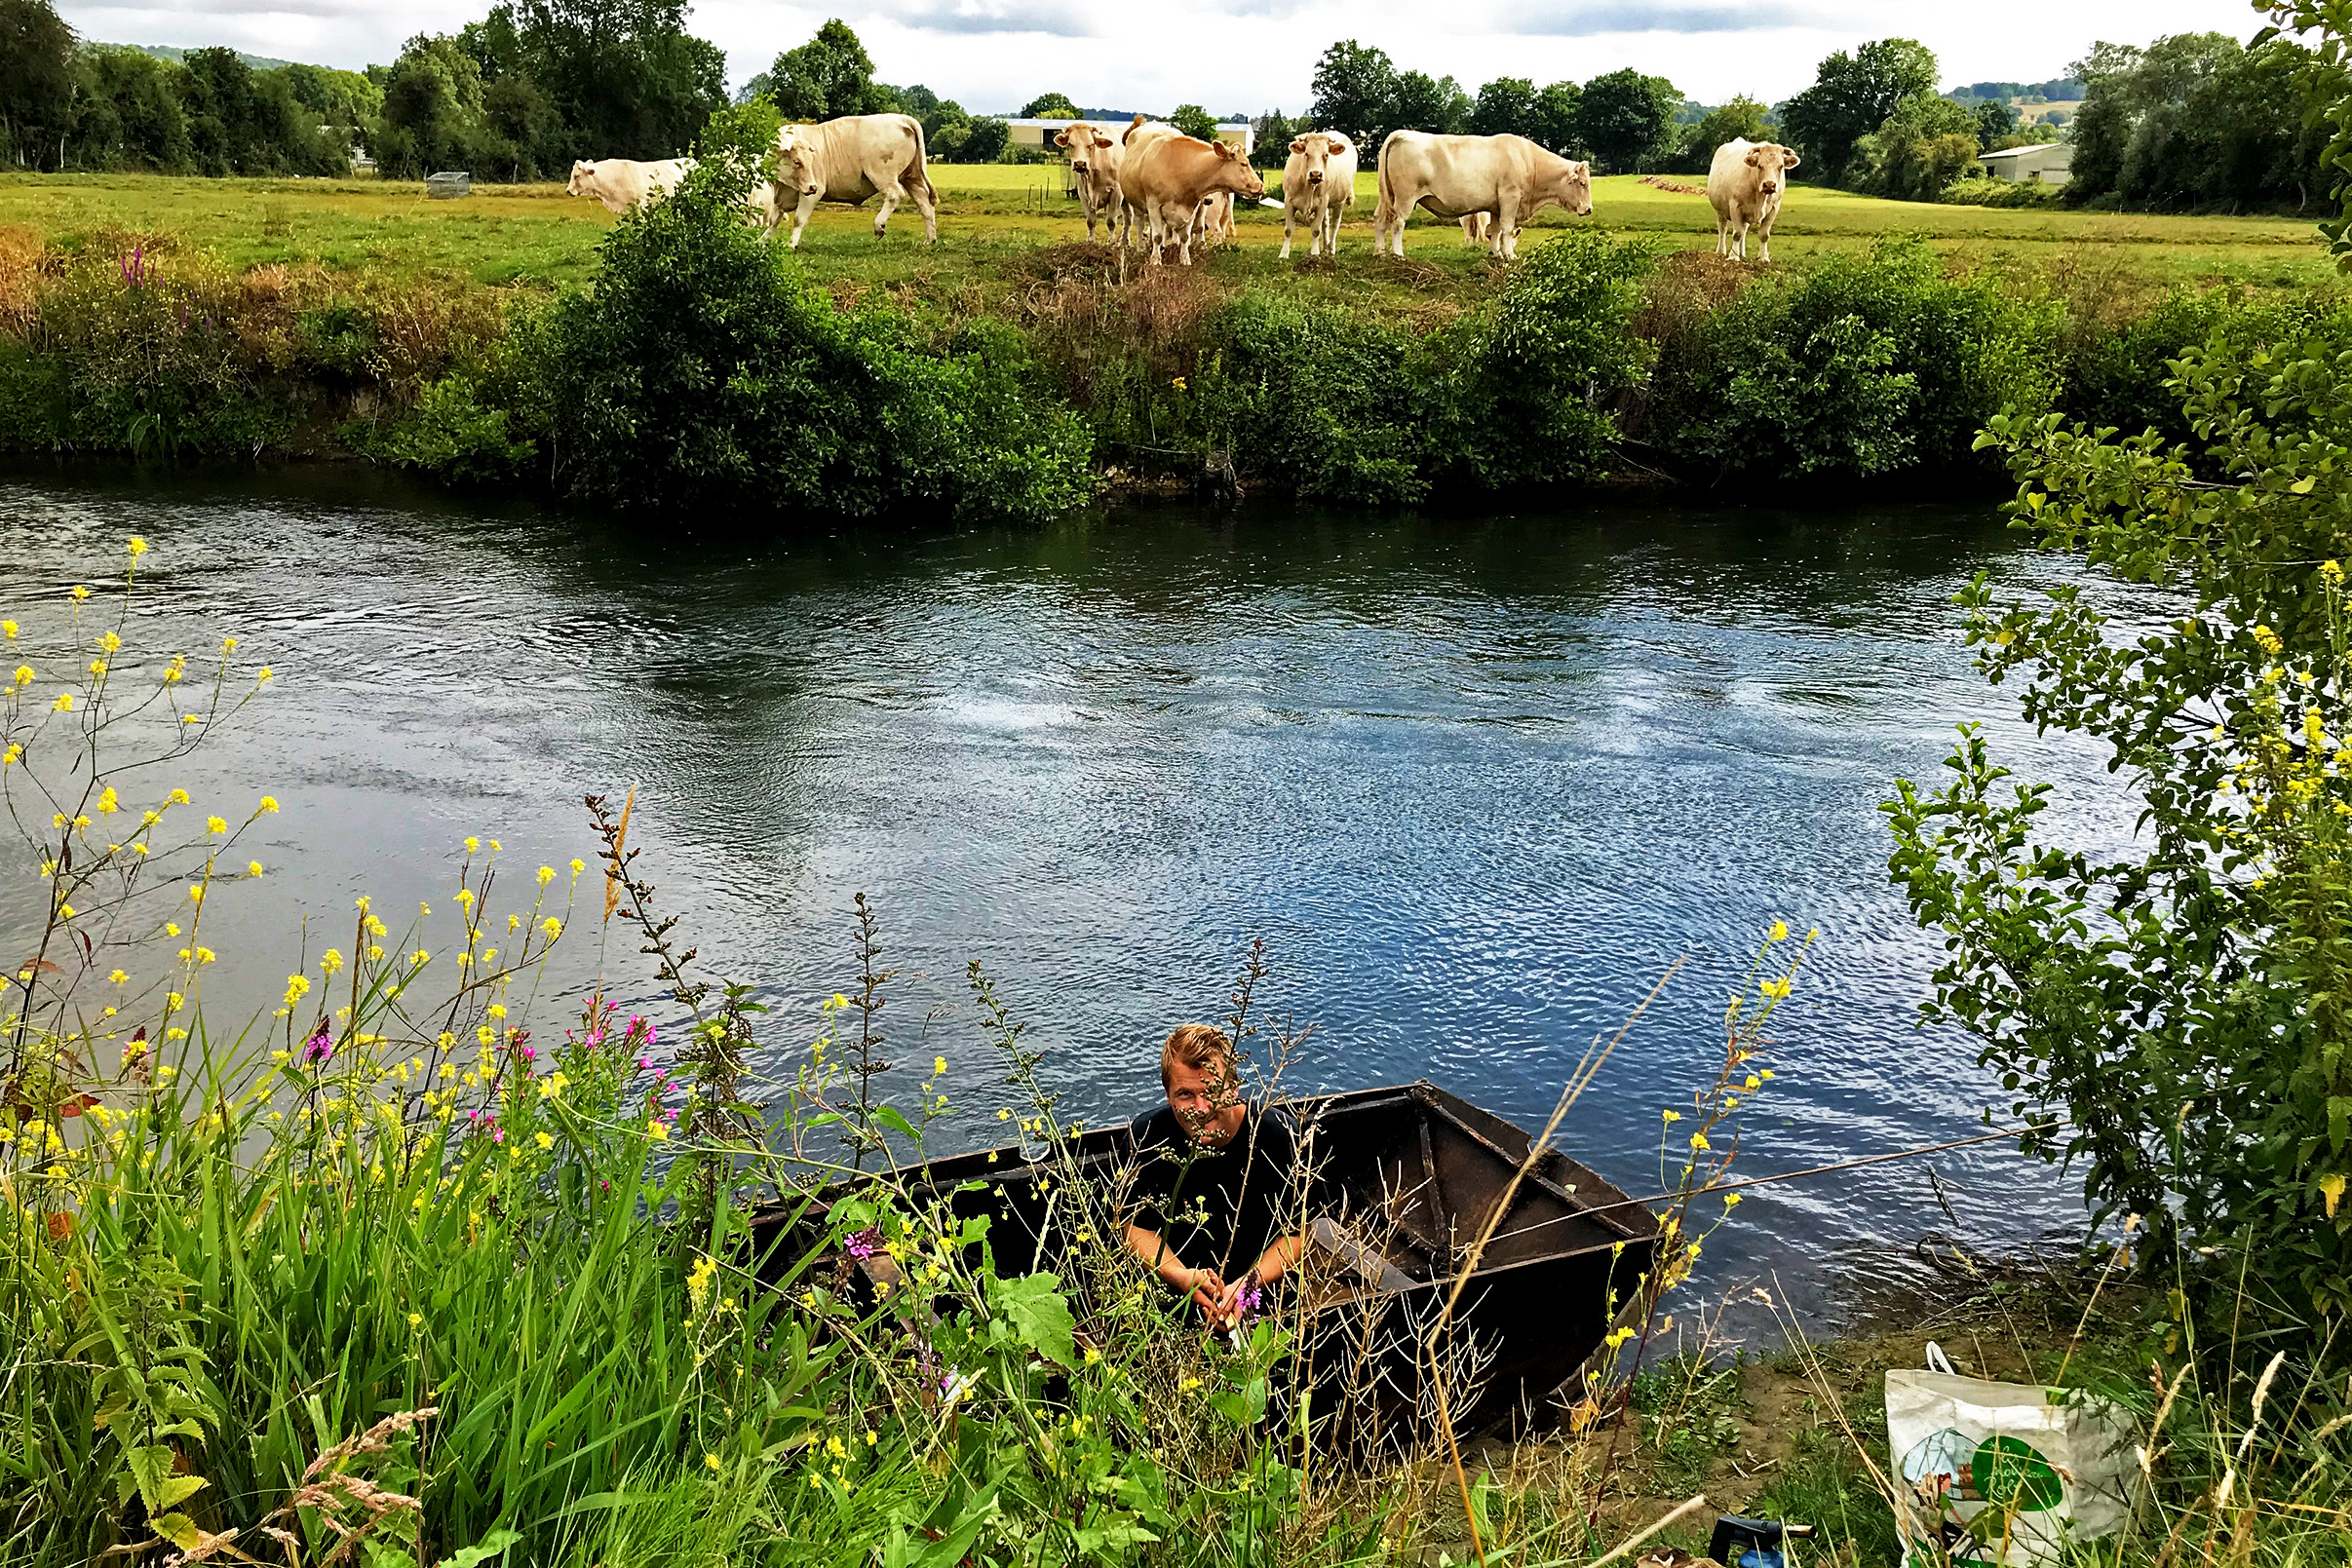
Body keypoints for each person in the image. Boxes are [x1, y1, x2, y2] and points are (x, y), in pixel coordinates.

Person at [1121, 1022, 1308, 1327]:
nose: (1201, 1108)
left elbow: (1303, 1233)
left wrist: (1249, 1284)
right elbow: (1131, 1227)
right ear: (1168, 1096)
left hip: (1267, 1289)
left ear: (1233, 1088)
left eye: (1212, 1091)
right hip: (1176, 1288)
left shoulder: (1280, 1136)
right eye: (1184, 1094)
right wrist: (1181, 1276)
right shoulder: (1146, 1137)